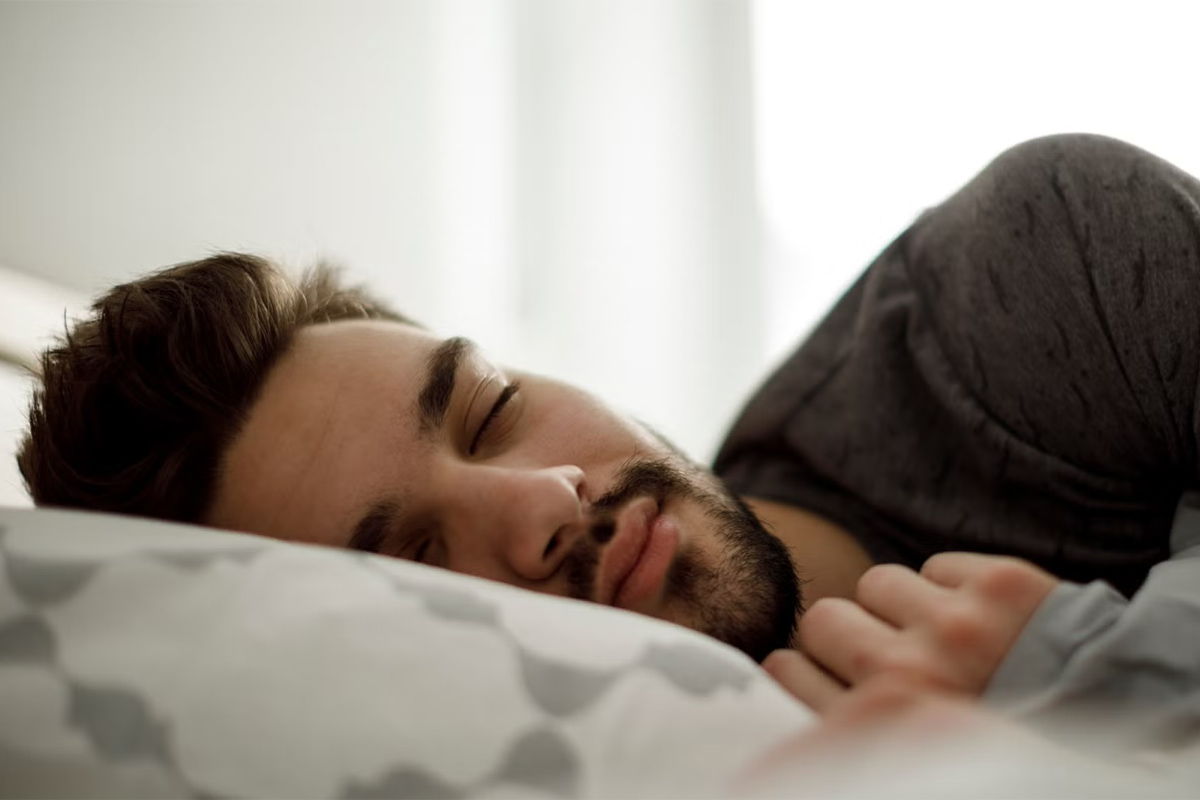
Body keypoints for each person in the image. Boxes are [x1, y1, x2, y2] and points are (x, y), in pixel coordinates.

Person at [15, 134, 1200, 752]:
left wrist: (1114, 672)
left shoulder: (1036, 280)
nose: (540, 498)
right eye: (415, 566)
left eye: (488, 409)